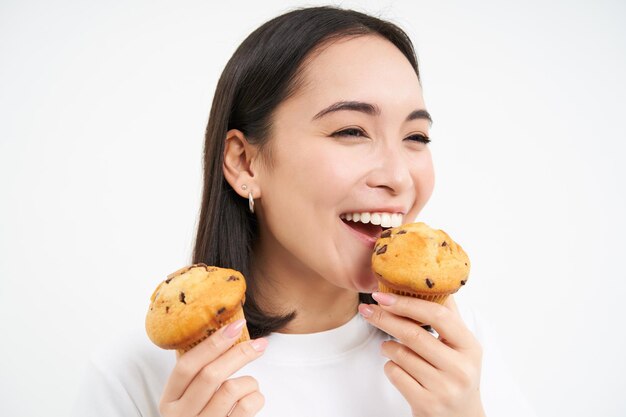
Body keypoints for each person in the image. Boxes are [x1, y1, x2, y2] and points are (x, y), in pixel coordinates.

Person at [72, 6, 536, 417]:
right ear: (244, 162)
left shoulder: (458, 347)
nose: (398, 176)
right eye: (351, 130)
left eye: (416, 137)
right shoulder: (138, 374)